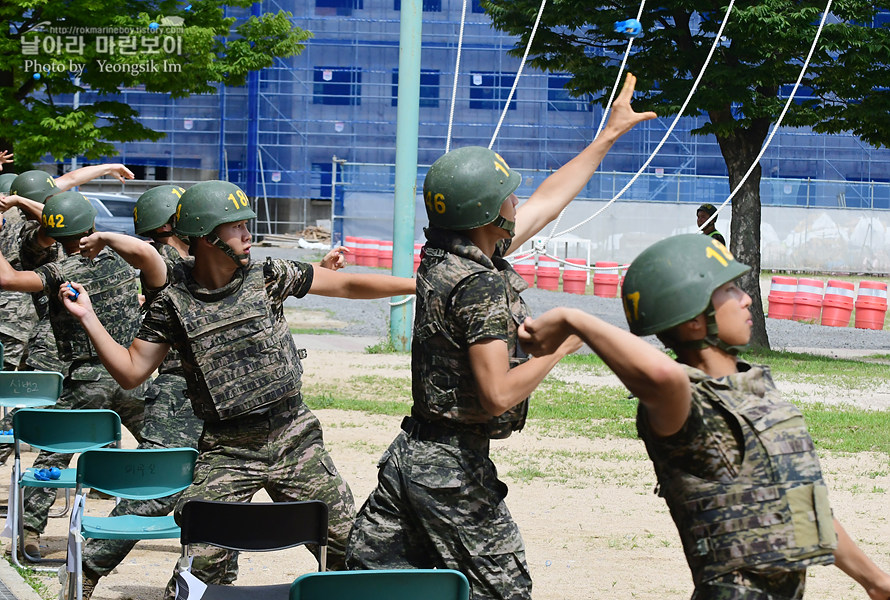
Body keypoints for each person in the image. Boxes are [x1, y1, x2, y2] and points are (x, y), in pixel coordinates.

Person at [345, 73, 655, 600]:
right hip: (451, 472)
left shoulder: (445, 258)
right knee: (505, 593)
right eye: (508, 197)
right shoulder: (480, 284)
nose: (518, 202)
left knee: (362, 584)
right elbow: (496, 396)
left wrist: (607, 135)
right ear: (488, 216)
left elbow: (548, 201)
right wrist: (561, 347)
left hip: (413, 455)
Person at [59, 179, 415, 590]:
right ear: (208, 237)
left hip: (293, 436)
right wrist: (88, 316)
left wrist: (417, 284)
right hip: (228, 449)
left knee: (353, 554)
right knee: (198, 570)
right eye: (237, 227)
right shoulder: (173, 302)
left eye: (247, 225)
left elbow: (347, 285)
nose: (249, 235)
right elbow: (131, 370)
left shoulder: (267, 276)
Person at [517, 233, 890, 600]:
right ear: (694, 318)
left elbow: (802, 505)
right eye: (730, 290)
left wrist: (875, 582)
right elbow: (663, 375)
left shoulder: (751, 387)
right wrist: (574, 318)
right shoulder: (682, 402)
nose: (746, 300)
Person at [0, 190, 146, 560]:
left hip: (85, 381)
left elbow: (10, 280)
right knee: (166, 447)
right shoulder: (124, 259)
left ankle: (30, 532)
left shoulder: (61, 270)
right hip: (134, 375)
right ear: (92, 223)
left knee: (52, 455)